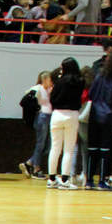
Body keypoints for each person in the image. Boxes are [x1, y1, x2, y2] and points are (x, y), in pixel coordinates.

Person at [85, 46, 112, 189]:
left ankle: (89, 180)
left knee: (92, 149)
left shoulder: (99, 75)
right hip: (109, 118)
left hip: (94, 115)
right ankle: (102, 180)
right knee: (105, 151)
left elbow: (91, 95)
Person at [47, 56, 83, 189]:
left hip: (57, 115)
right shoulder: (79, 81)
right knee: (68, 149)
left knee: (55, 147)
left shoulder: (59, 82)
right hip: (72, 115)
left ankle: (51, 179)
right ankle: (65, 180)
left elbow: (53, 98)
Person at [21, 70, 52, 178]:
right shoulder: (37, 88)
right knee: (41, 144)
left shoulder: (49, 89)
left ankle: (29, 162)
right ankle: (36, 168)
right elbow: (25, 99)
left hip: (49, 117)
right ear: (44, 80)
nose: (51, 82)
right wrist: (37, 107)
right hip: (42, 117)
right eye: (49, 79)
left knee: (48, 146)